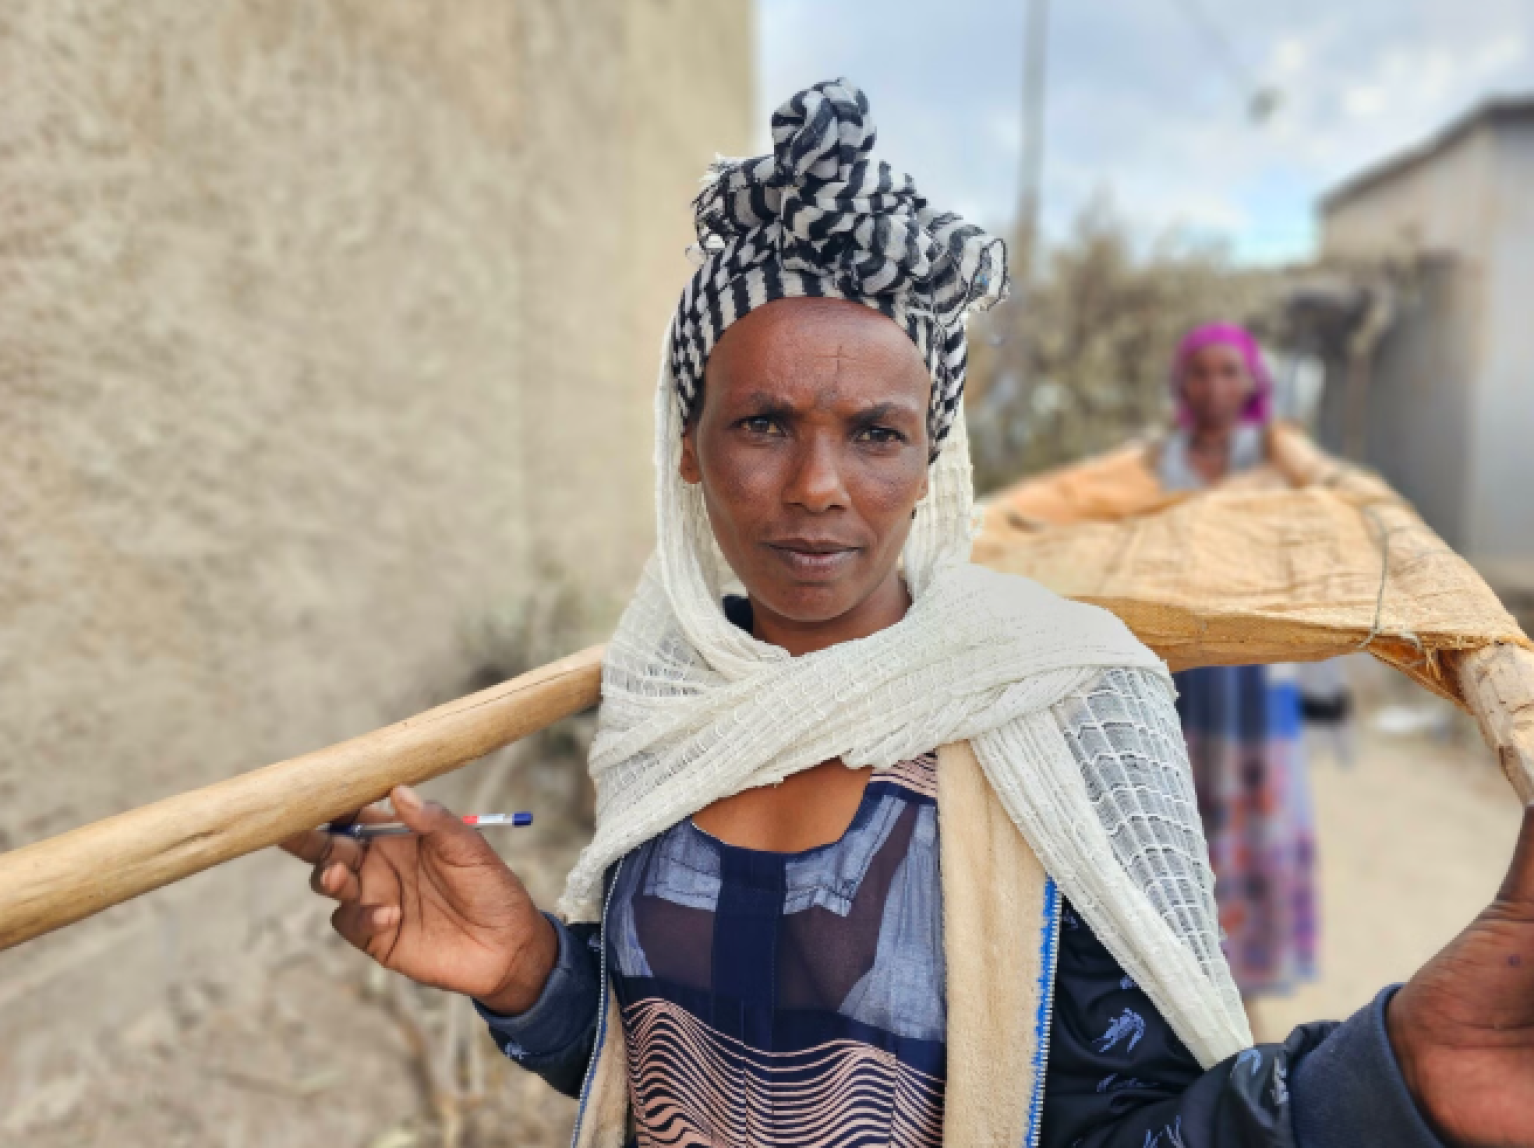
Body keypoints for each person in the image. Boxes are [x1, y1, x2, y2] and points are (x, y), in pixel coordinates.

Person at [282, 81, 1534, 1148]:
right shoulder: (672, 690)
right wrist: (529, 975)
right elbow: (673, 1070)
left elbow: (1148, 1122)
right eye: (763, 423)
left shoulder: (1056, 700)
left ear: (933, 462)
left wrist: (1397, 1069)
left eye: (876, 434)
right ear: (688, 450)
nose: (818, 486)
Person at [1159, 326, 1319, 1012]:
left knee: (1253, 825)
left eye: (1230, 371)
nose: (1215, 386)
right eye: (1201, 371)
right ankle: (1185, 989)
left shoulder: (1277, 459)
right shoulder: (1163, 463)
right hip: (1184, 678)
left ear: (1253, 381)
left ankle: (1244, 1003)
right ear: (1182, 383)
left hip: (1255, 681)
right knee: (1179, 823)